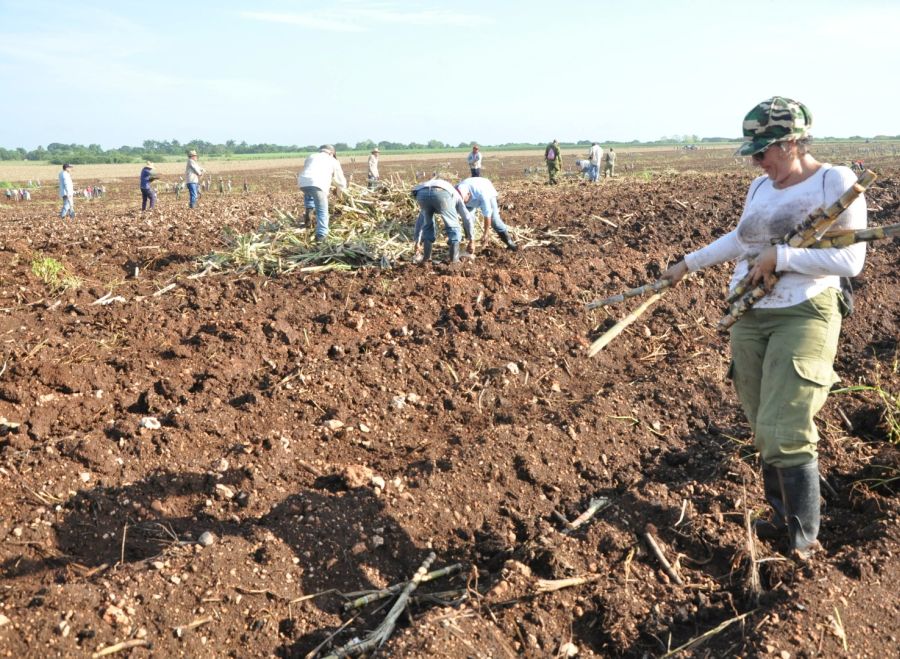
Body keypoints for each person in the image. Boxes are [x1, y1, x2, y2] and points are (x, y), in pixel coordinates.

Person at [661, 97, 867, 560]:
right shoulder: (759, 187)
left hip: (805, 309)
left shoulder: (836, 181)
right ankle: (781, 517)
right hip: (750, 313)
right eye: (754, 152)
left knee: (786, 424)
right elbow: (742, 240)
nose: (757, 160)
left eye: (764, 150)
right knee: (762, 426)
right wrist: (687, 265)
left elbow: (851, 260)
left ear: (793, 142)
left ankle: (803, 542)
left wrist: (784, 256)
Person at [411, 178, 474, 264]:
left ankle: (426, 260)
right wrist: (471, 239)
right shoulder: (457, 196)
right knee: (453, 226)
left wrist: (417, 241)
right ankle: (454, 262)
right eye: (469, 198)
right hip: (441, 192)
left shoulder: (451, 191)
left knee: (427, 225)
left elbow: (420, 221)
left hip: (421, 193)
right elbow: (467, 217)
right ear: (467, 194)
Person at [297, 144, 347, 241]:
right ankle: (321, 235)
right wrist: (341, 192)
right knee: (322, 210)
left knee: (310, 194)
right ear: (331, 153)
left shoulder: (311, 156)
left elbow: (311, 171)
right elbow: (340, 181)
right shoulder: (333, 160)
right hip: (318, 185)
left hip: (303, 182)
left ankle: (309, 214)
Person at [455, 177, 517, 254]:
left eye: (464, 201)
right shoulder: (455, 192)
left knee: (495, 220)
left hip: (487, 190)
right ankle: (469, 243)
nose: (463, 203)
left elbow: (487, 214)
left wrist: (486, 233)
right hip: (470, 196)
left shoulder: (482, 194)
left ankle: (509, 242)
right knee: (468, 220)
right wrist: (471, 240)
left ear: (468, 194)